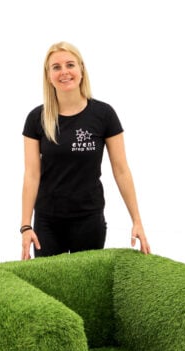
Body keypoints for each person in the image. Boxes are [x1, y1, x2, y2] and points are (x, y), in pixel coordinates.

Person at [21, 41, 150, 259]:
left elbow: (121, 170)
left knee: (87, 281)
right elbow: (32, 174)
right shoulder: (36, 118)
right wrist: (26, 226)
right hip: (48, 221)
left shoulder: (104, 115)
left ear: (81, 69)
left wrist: (137, 220)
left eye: (70, 65)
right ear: (48, 75)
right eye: (56, 67)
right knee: (49, 279)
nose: (64, 72)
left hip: (89, 220)